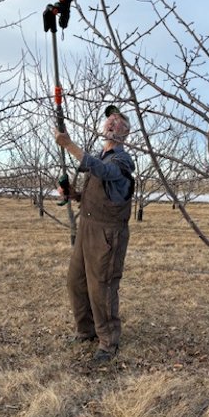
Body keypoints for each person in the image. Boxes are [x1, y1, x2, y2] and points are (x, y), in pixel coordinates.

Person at [54, 105, 135, 363]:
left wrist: (69, 145)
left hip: (108, 235)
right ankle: (85, 331)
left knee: (102, 287)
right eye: (109, 118)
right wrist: (73, 194)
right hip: (86, 230)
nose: (112, 121)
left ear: (125, 133)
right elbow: (94, 193)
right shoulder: (99, 157)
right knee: (76, 282)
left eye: (118, 120)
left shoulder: (122, 162)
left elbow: (104, 173)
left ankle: (108, 341)